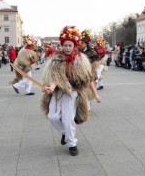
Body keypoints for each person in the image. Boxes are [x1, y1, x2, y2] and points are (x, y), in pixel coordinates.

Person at [41, 26, 101, 156]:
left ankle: (72, 144)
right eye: (65, 45)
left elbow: (88, 78)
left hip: (72, 93)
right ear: (62, 45)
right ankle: (64, 133)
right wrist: (50, 88)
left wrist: (95, 94)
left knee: (68, 119)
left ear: (74, 46)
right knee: (52, 116)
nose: (67, 48)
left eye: (70, 45)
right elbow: (55, 77)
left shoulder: (81, 59)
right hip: (58, 92)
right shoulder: (57, 59)